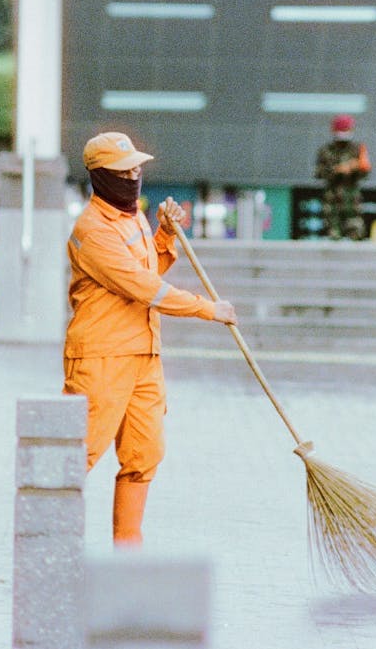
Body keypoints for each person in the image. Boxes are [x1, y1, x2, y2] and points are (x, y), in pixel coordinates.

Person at [63, 131, 237, 546]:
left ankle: (129, 553)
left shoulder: (133, 217)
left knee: (143, 456)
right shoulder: (93, 231)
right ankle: (46, 546)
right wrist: (207, 309)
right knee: (74, 456)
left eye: (137, 168)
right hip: (101, 358)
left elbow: (149, 270)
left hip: (143, 356)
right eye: (125, 171)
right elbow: (144, 288)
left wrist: (165, 234)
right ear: (101, 175)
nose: (134, 176)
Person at [314, 114, 371, 240]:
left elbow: (366, 172)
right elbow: (318, 173)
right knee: (333, 236)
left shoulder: (357, 149)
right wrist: (337, 170)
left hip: (352, 199)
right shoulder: (326, 150)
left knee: (356, 235)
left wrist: (355, 167)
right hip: (332, 200)